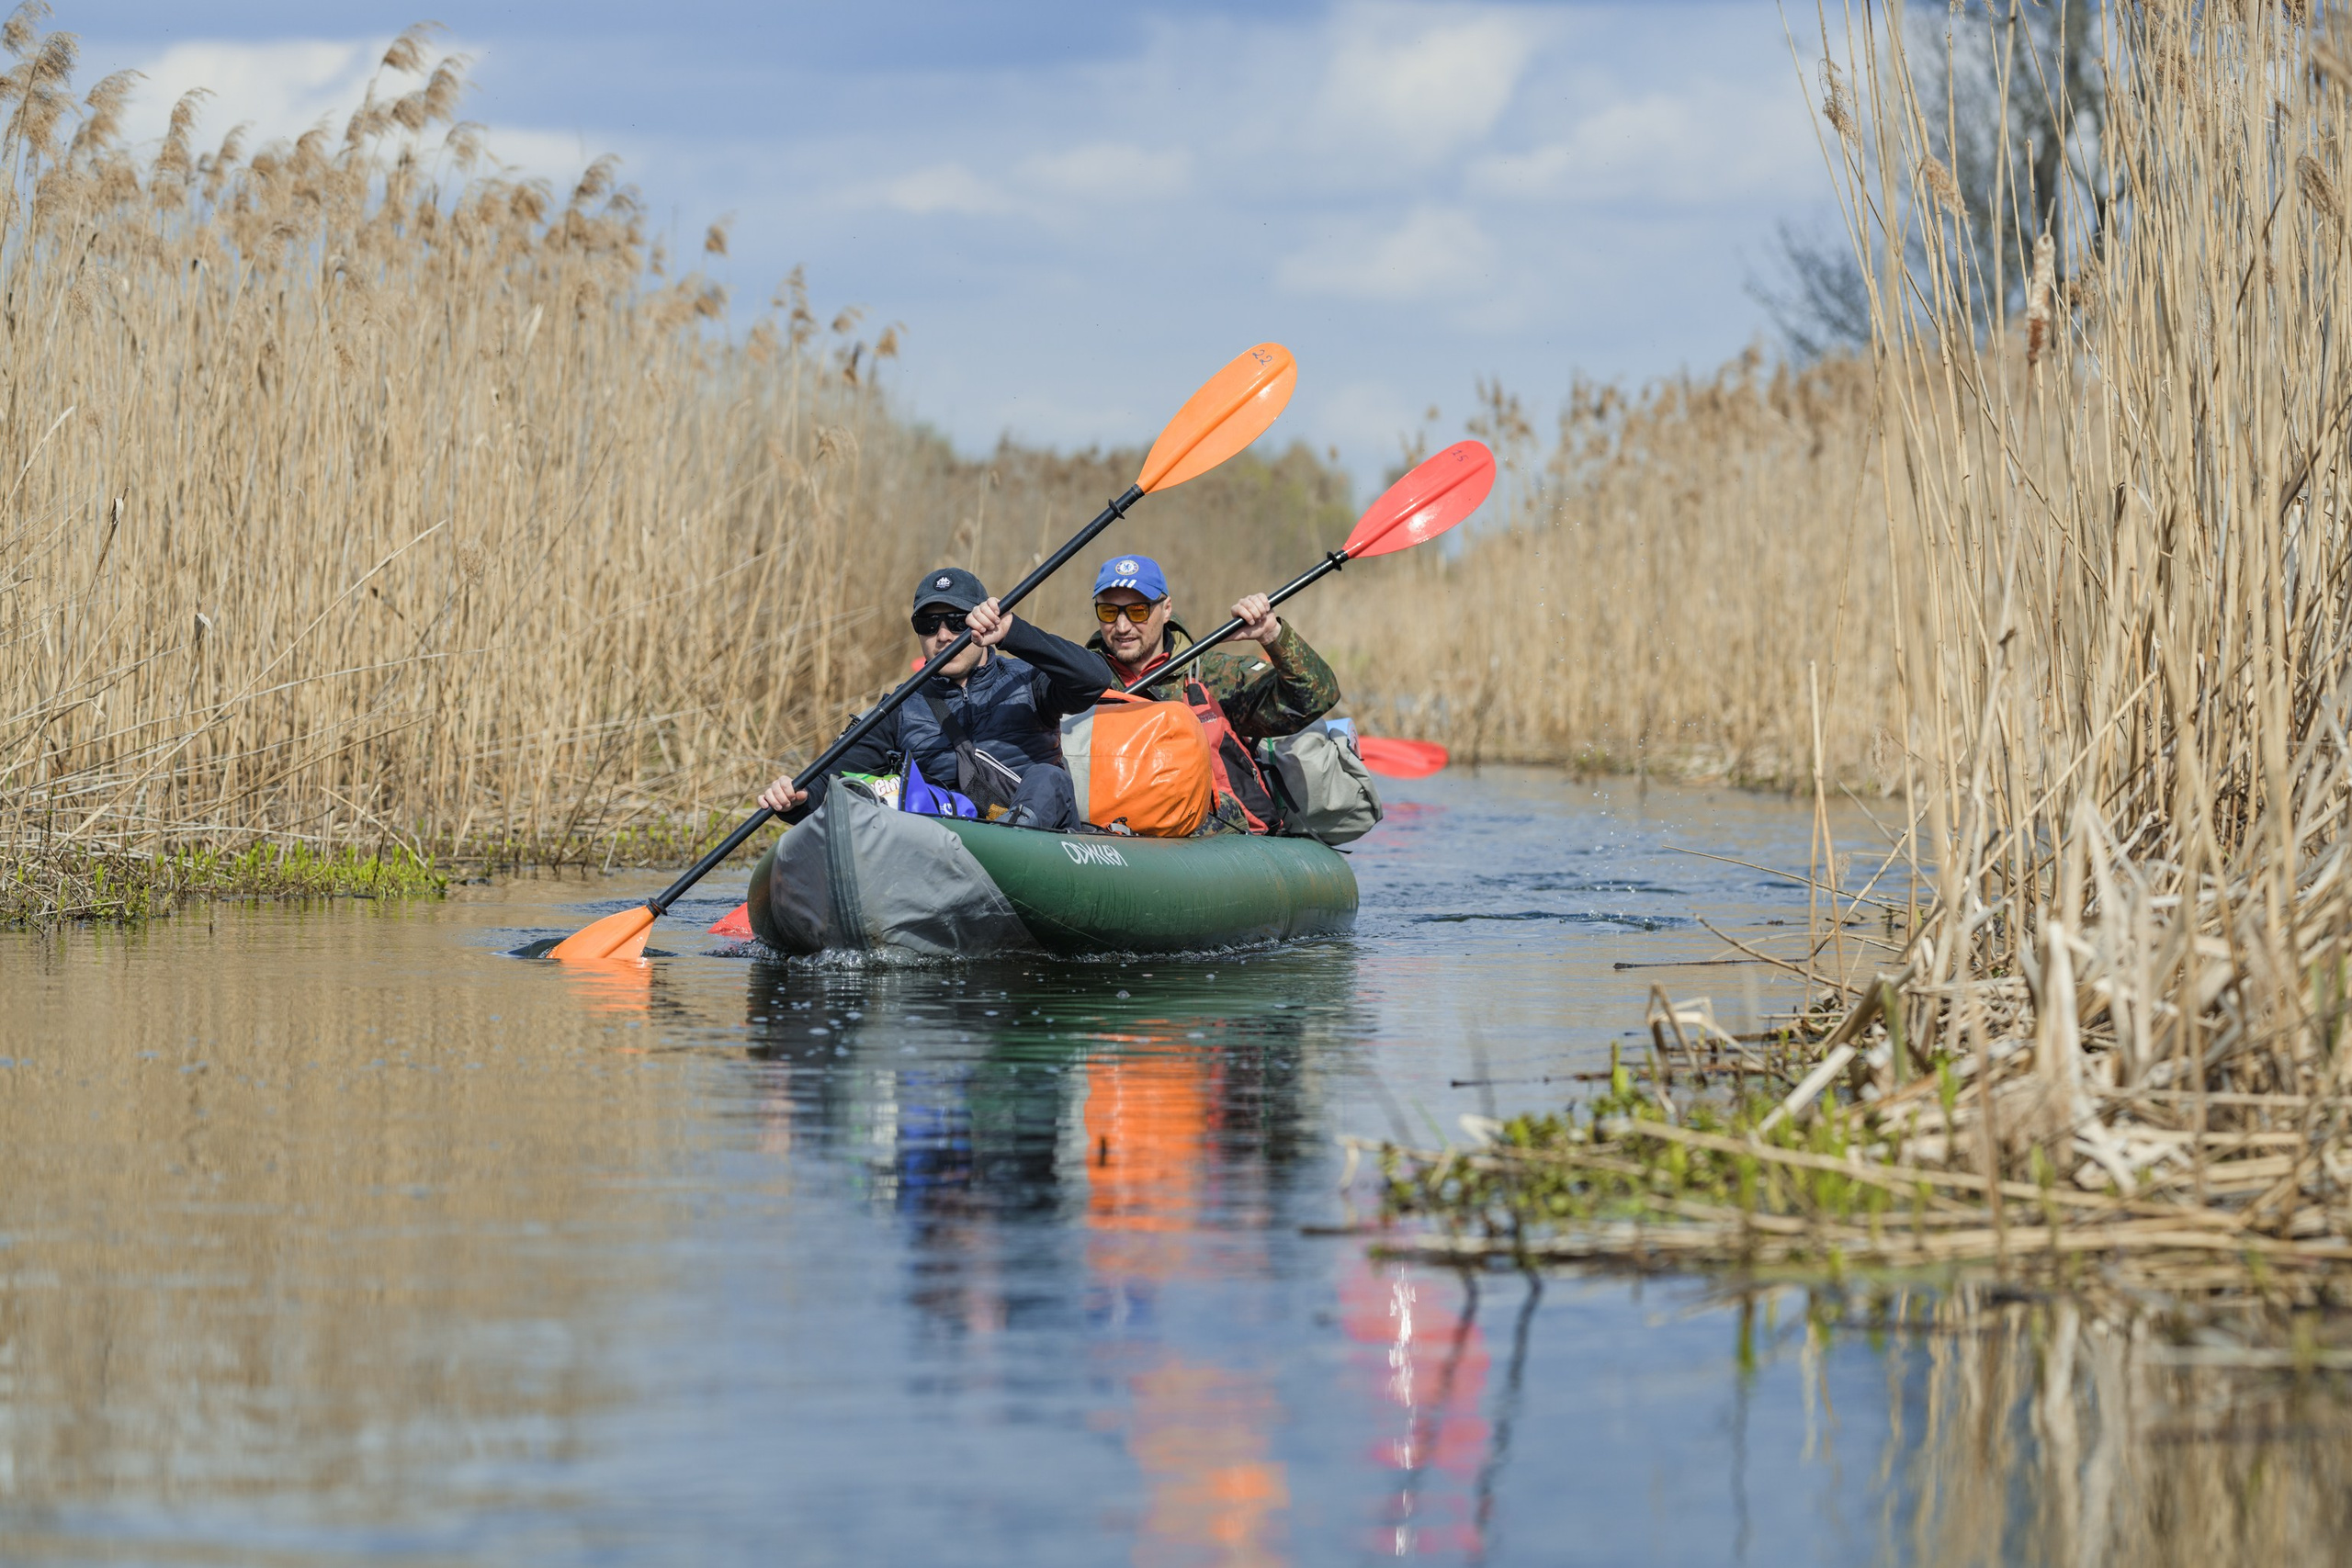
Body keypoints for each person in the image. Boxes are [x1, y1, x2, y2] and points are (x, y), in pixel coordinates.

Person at [757, 567, 1115, 830]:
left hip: (1043, 836)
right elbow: (826, 787)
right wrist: (793, 800)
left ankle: (1012, 839)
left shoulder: (1028, 680)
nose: (942, 636)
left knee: (1047, 778)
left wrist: (1013, 632)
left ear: (981, 625)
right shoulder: (899, 708)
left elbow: (1094, 679)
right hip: (954, 849)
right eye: (928, 626)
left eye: (957, 622)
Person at [1085, 554, 1340, 831]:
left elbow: (1314, 696)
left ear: (1166, 609)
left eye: (1137, 612)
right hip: (1109, 827)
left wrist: (1270, 634)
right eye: (1109, 612)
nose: (1122, 627)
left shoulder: (1210, 674)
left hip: (1204, 832)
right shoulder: (1081, 679)